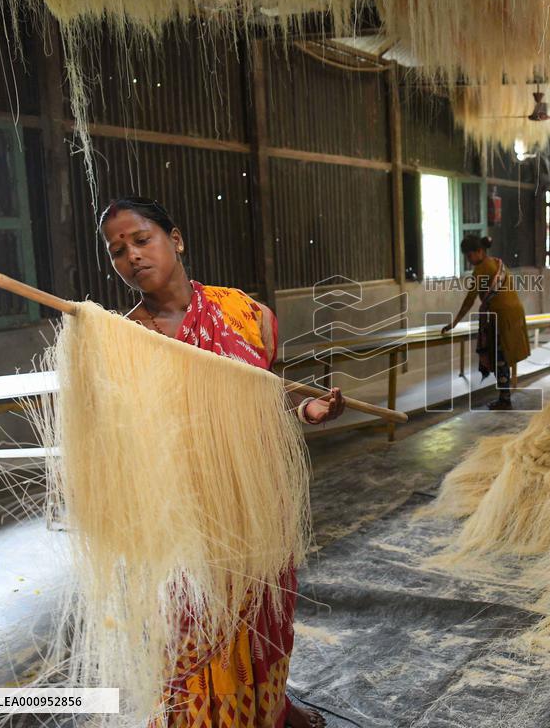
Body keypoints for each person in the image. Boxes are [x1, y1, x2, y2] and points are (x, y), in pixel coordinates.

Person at [99, 196, 344, 728]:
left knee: (265, 613)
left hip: (257, 494)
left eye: (142, 239)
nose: (132, 257)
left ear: (176, 239)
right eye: (117, 251)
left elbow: (264, 396)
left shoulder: (244, 312)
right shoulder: (128, 341)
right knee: (198, 620)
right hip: (191, 508)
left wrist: (306, 408)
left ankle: (270, 706)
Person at [442, 235, 530, 410]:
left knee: (500, 357)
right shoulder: (497, 263)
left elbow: (470, 299)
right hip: (514, 313)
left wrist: (455, 322)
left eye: (469, 256)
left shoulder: (481, 269)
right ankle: (505, 397)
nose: (468, 260)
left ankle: (505, 400)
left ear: (479, 252)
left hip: (501, 316)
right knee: (504, 355)